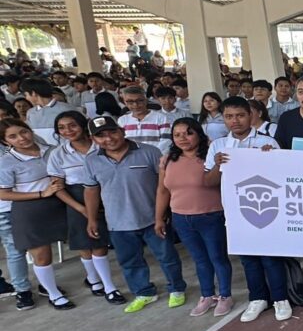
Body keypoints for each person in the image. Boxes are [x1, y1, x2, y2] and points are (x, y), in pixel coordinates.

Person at [83, 115, 186, 314]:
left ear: (122, 131)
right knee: (130, 261)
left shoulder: (149, 152)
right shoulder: (91, 161)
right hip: (117, 222)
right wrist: (92, 218)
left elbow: (164, 186)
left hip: (152, 219)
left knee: (167, 257)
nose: (109, 138)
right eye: (101, 136)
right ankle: (144, 292)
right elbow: (91, 190)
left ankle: (177, 288)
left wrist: (163, 214)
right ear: (93, 139)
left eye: (112, 132)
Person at [202, 97, 290, 322]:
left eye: (240, 115)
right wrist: (219, 165)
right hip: (236, 211)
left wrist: (273, 159)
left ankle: (280, 298)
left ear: (251, 116)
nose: (235, 121)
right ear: (223, 119)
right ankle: (258, 298)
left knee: (271, 257)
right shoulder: (218, 146)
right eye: (229, 117)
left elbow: (283, 176)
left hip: (267, 208)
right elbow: (208, 182)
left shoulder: (267, 142)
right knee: (248, 258)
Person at [154, 117, 233, 317]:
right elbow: (162, 191)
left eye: (188, 133)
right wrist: (159, 218)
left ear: (199, 134)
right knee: (200, 260)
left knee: (217, 257)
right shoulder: (167, 160)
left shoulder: (211, 156)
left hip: (211, 215)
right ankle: (207, 295)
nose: (183, 138)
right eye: (177, 135)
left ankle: (225, 295)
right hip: (181, 218)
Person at [46, 111, 122, 306]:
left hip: (106, 194)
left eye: (72, 125)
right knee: (86, 243)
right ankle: (102, 284)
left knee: (100, 243)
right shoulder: (58, 154)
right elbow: (58, 187)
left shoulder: (101, 144)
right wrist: (80, 208)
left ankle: (103, 283)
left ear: (83, 125)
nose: (67, 131)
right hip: (76, 198)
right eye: (61, 128)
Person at [0, 119, 73, 310]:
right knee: (40, 255)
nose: (21, 138)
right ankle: (49, 294)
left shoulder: (49, 150)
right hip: (28, 210)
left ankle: (51, 286)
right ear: (6, 141)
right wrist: (41, 193)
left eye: (24, 132)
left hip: (55, 205)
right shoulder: (6, 162)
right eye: (13, 136)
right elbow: (3, 193)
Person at [117, 86, 172, 154]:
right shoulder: (122, 120)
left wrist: (153, 155)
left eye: (140, 100)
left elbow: (166, 141)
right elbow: (121, 142)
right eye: (130, 102)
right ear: (125, 103)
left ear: (146, 100)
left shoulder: (161, 118)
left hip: (155, 158)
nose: (135, 105)